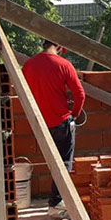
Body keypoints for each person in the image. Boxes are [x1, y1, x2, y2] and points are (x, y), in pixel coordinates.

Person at [22, 39, 85, 210]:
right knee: (64, 162)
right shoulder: (64, 65)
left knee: (51, 161)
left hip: (39, 122)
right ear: (59, 46)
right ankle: (56, 202)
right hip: (61, 121)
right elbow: (80, 94)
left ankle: (55, 201)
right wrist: (74, 115)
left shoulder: (28, 65)